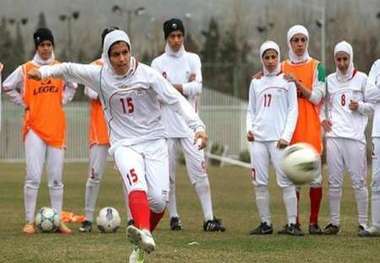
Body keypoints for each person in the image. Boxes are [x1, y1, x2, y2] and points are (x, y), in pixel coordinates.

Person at [27, 29, 208, 263]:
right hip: (124, 144)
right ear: (107, 55)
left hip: (154, 142)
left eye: (125, 52)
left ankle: (141, 243)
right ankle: (143, 230)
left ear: (130, 51)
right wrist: (42, 72)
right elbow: (68, 68)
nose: (121, 59)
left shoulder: (148, 75)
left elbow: (175, 100)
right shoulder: (100, 75)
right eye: (115, 54)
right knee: (137, 184)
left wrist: (198, 127)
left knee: (159, 200)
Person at [151, 18, 225, 232]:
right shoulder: (158, 63)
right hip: (165, 127)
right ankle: (174, 217)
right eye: (172, 36)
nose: (176, 40)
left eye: (179, 36)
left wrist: (173, 87)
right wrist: (184, 87)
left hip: (190, 127)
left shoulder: (192, 59)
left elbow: (198, 88)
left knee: (200, 173)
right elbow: (158, 93)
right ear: (166, 38)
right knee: (168, 176)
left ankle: (209, 218)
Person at [2, 28, 77, 234]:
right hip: (34, 127)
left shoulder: (60, 67)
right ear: (37, 47)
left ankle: (58, 219)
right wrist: (24, 102)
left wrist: (63, 99)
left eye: (48, 45)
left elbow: (73, 84)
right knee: (33, 176)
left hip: (56, 126)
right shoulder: (26, 68)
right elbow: (7, 86)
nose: (46, 48)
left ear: (52, 46)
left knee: (56, 179)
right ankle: (29, 221)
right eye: (42, 45)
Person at [247, 41, 300, 236]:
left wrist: (286, 136)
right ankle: (265, 224)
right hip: (258, 140)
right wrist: (249, 130)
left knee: (286, 181)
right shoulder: (256, 82)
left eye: (273, 57)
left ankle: (292, 224)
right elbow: (251, 110)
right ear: (261, 59)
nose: (270, 61)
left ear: (278, 57)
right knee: (259, 183)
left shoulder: (287, 81)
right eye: (266, 57)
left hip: (279, 141)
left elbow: (293, 110)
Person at [321, 41, 371, 235]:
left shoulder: (363, 79)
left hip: (355, 138)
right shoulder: (329, 80)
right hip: (334, 137)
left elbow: (373, 106)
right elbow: (320, 105)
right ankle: (334, 223)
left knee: (359, 182)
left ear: (351, 58)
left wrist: (359, 105)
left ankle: (363, 224)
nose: (342, 63)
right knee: (333, 182)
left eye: (345, 59)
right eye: (338, 59)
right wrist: (323, 121)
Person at [280, 25, 326, 235]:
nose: (299, 44)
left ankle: (314, 223)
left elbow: (317, 97)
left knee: (315, 177)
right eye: (295, 40)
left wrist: (297, 84)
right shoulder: (280, 67)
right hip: (290, 131)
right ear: (289, 43)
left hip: (310, 128)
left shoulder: (318, 67)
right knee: (293, 176)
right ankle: (294, 222)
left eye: (302, 40)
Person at [79, 26, 119, 233]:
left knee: (128, 175)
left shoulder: (126, 65)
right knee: (94, 176)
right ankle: (87, 218)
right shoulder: (94, 66)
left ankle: (133, 220)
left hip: (122, 132)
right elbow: (89, 91)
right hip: (100, 132)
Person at [360, 59, 380, 237]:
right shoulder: (377, 65)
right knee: (376, 179)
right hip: (378, 133)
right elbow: (369, 93)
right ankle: (376, 225)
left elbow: (375, 92)